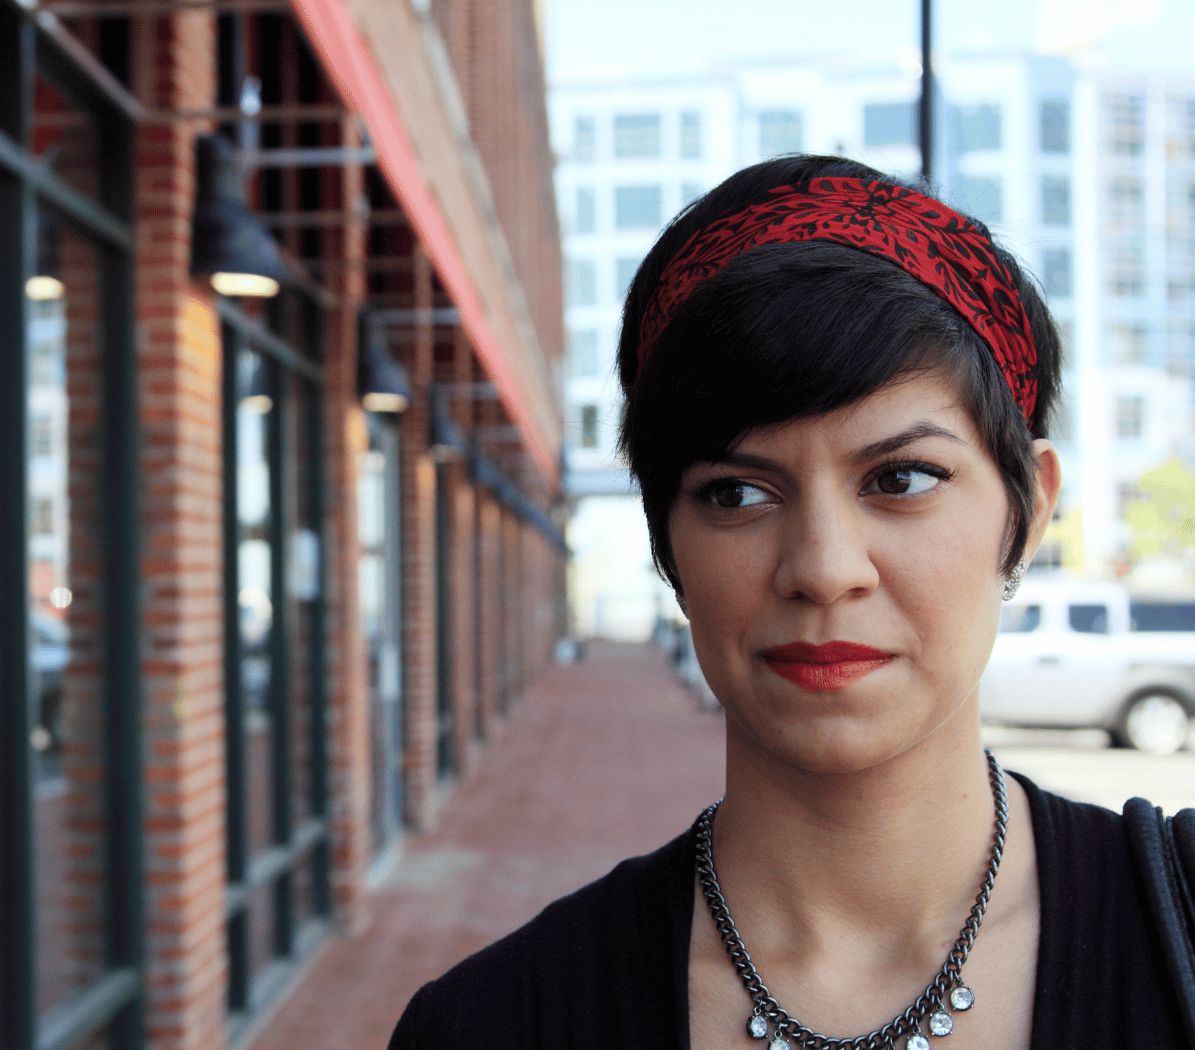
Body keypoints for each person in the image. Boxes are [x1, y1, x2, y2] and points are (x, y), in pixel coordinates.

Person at [387, 155, 1194, 1049]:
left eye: (901, 479)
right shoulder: (493, 1023)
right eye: (736, 493)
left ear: (1029, 511)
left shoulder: (1180, 931)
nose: (822, 568)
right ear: (666, 543)